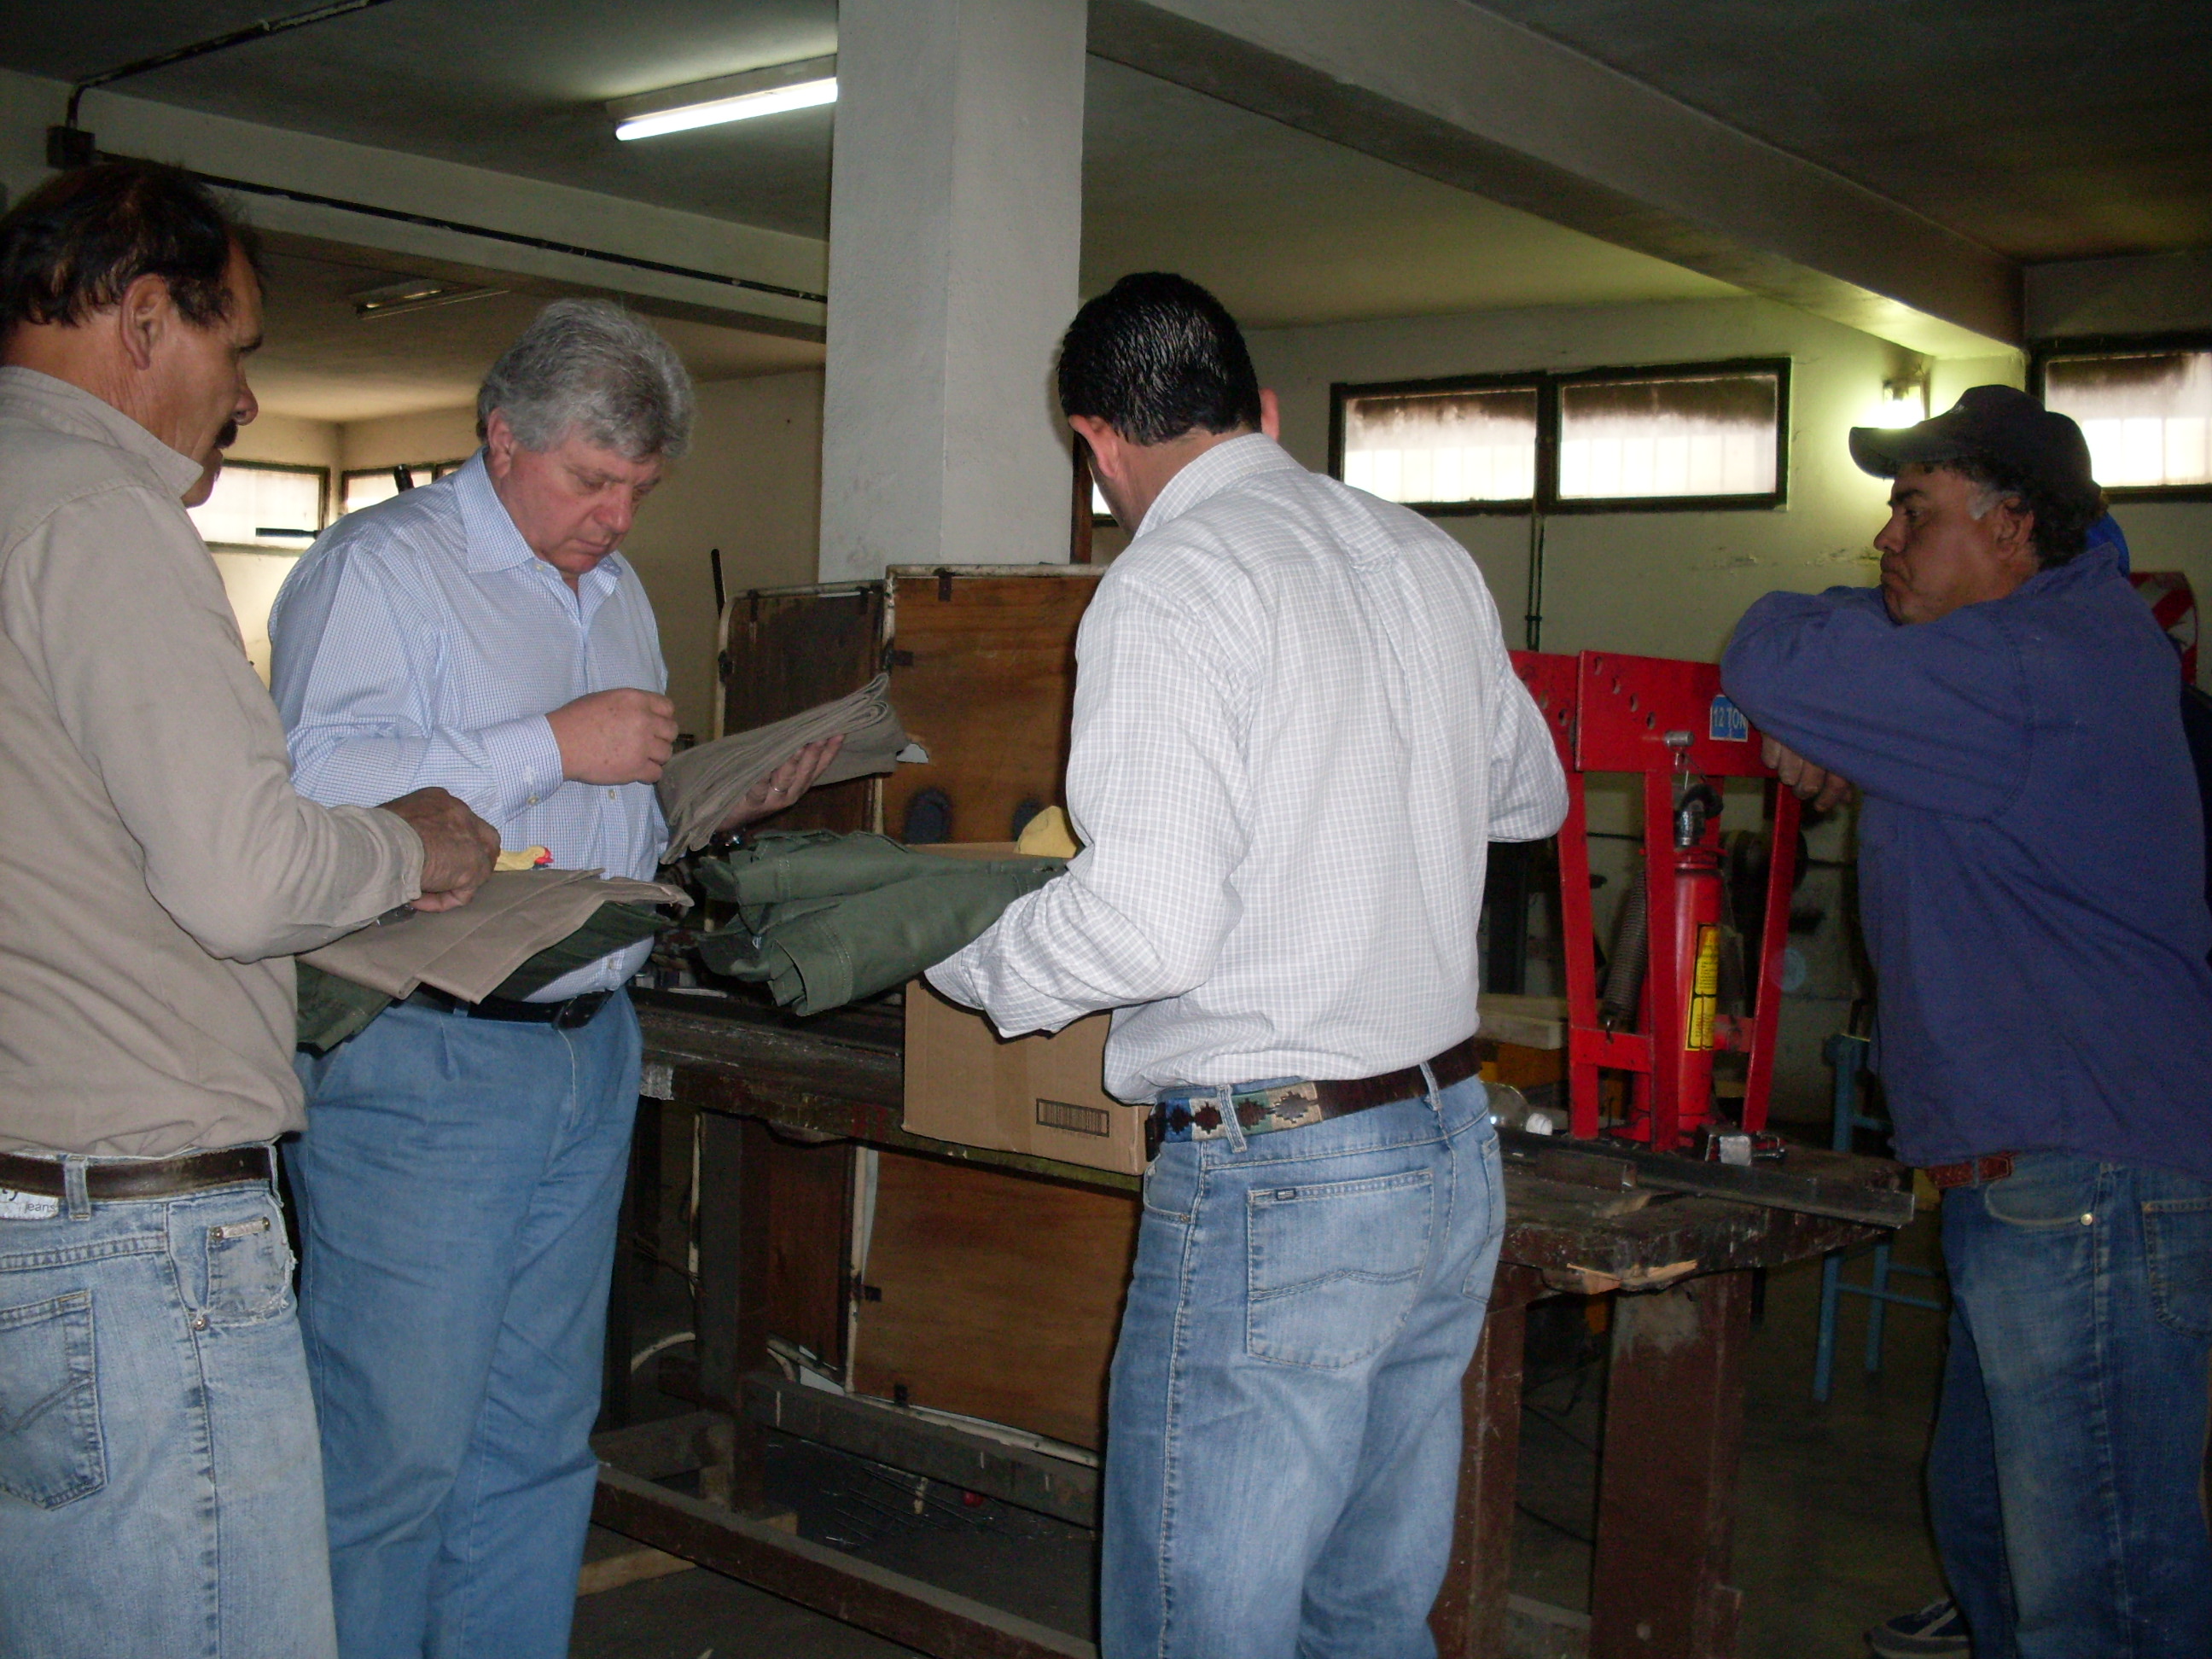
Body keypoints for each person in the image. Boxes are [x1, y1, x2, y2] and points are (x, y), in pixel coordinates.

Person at [927, 272, 1568, 1659]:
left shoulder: (1170, 585)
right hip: (1449, 1146)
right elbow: (1531, 799)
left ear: (1097, 448)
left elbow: (1150, 926)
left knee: (1201, 1628)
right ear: (1261, 411)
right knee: (1367, 1613)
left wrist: (967, 963)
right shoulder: (1423, 556)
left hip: (1284, 1176)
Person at [267, 297, 839, 1659]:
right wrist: (547, 743)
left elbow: (605, 808)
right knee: (393, 1457)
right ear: (500, 437)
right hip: (430, 1053)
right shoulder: (380, 572)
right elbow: (305, 792)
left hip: (588, 1046)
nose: (615, 519)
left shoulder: (614, 589)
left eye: (639, 491)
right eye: (592, 481)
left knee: (534, 1445)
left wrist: (707, 799)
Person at [0, 161, 498, 1659]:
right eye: (241, 351)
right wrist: (404, 850)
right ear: (146, 319)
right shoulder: (99, 512)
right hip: (131, 1245)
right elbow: (237, 875)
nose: (247, 401)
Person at [1720, 386, 2212, 1659]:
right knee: (1991, 1536)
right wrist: (1836, 727)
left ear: (2009, 530)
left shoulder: (2030, 666)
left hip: (2086, 1180)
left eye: (1914, 511)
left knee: (2098, 1590)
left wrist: (1816, 703)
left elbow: (1769, 650)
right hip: (2044, 1180)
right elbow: (1834, 666)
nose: (1885, 537)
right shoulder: (2045, 644)